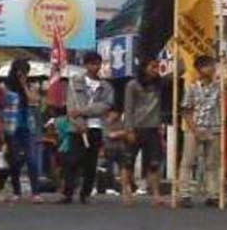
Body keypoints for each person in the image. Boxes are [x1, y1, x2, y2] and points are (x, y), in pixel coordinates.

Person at [62, 52, 114, 204]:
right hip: (77, 128)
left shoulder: (106, 87)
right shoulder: (75, 82)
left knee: (91, 163)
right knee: (72, 161)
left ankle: (86, 194)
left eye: (98, 64)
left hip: (96, 127)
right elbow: (71, 106)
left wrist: (83, 111)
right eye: (92, 64)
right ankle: (68, 193)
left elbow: (104, 106)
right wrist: (79, 122)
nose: (95, 67)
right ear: (85, 65)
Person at [179, 55, 224, 208]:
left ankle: (213, 194)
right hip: (195, 128)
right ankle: (184, 194)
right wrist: (195, 129)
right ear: (199, 69)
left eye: (212, 65)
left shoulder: (219, 86)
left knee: (213, 163)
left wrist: (223, 65)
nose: (211, 69)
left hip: (214, 127)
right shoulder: (191, 88)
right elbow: (186, 110)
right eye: (207, 66)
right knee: (188, 162)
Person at [122, 58, 164, 207]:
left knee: (154, 163)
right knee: (128, 162)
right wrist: (129, 130)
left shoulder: (159, 84)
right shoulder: (133, 85)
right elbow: (128, 109)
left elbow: (177, 73)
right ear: (144, 68)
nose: (155, 70)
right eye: (152, 67)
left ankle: (156, 194)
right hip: (136, 127)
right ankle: (126, 191)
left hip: (152, 128)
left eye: (157, 67)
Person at [0, 59, 42, 203]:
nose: (22, 75)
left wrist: (24, 85)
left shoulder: (31, 86)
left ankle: (35, 192)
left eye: (25, 72)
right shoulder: (5, 87)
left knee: (32, 159)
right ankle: (16, 191)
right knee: (15, 160)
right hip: (11, 127)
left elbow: (34, 100)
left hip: (28, 126)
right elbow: (1, 105)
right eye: (20, 72)